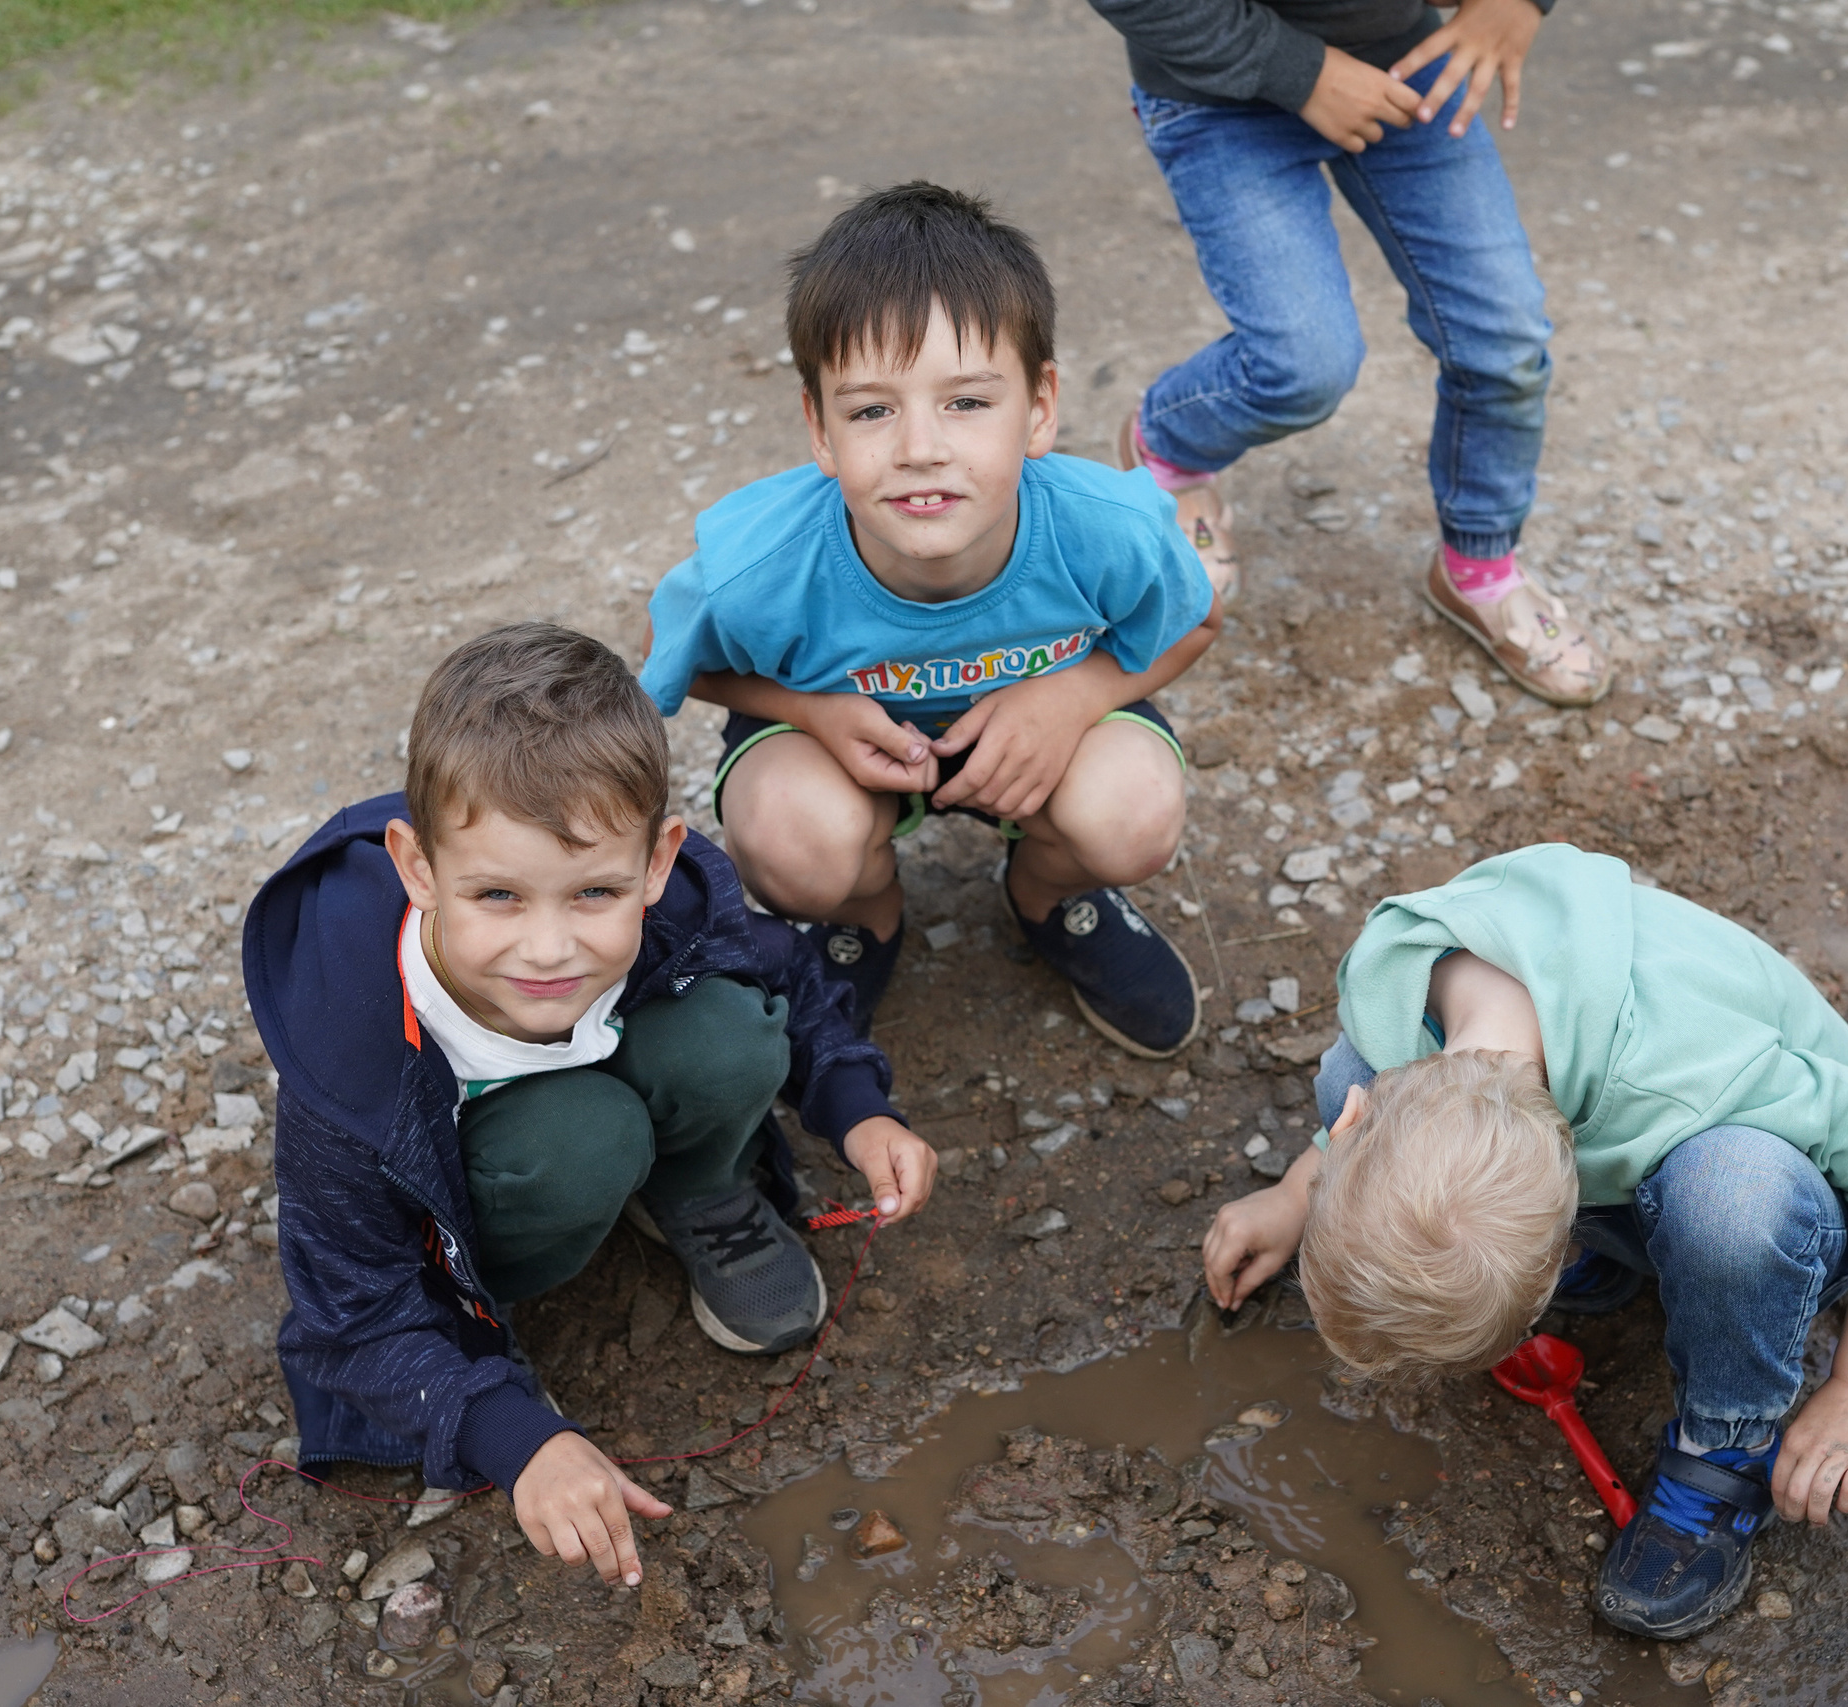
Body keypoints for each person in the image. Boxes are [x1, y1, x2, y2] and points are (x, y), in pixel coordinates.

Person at [243, 622, 936, 1591]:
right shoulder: (350, 1037)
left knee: (728, 1031)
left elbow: (790, 974)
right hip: (515, 1173)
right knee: (580, 1136)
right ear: (416, 867)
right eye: (497, 896)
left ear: (657, 863)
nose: (548, 949)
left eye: (594, 893)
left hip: (605, 1094)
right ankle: (516, 1280)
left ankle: (698, 1188)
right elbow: (346, 1313)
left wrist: (859, 1109)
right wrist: (510, 1435)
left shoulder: (679, 903)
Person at [1200, 844, 1848, 1638]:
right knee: (1345, 1064)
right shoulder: (1393, 967)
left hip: (1785, 1198)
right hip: (1637, 1149)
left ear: (1575, 1188)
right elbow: (1365, 1116)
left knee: (1729, 1202)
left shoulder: (1677, 1071)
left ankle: (1725, 1445)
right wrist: (1298, 1192)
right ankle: (1640, 1252)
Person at [637, 182, 1221, 1058]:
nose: (920, 448)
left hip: (1050, 743)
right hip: (846, 755)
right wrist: (813, 711)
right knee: (790, 841)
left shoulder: (1114, 529)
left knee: (1134, 811)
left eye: (967, 401)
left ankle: (1050, 892)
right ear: (820, 428)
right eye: (872, 409)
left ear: (1042, 406)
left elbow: (1195, 622)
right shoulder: (757, 567)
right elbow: (677, 664)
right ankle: (865, 917)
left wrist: (1071, 699)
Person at [1083, 0, 1610, 706]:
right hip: (1219, 95)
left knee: (1503, 340)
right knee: (1303, 366)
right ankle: (1169, 446)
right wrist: (1300, 73)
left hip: (1409, 62)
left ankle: (1479, 570)